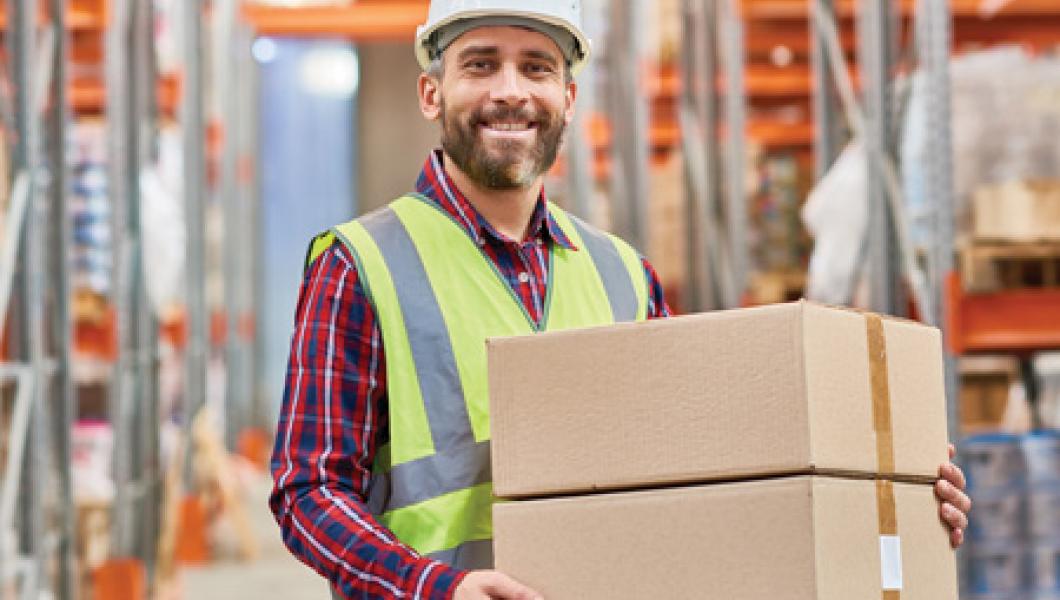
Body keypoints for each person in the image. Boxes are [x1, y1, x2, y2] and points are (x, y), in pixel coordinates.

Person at [269, 2, 972, 598]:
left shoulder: (625, 275)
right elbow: (307, 492)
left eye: (537, 67)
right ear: (432, 94)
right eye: (480, 64)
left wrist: (891, 488)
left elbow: (699, 477)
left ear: (568, 100)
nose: (510, 90)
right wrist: (436, 588)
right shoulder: (362, 265)